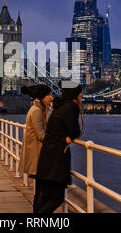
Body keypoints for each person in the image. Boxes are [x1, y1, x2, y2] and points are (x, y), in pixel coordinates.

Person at [35, 81, 83, 213]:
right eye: (80, 93)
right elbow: (75, 131)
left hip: (47, 157)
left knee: (45, 197)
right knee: (56, 198)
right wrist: (69, 136)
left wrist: (68, 136)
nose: (82, 96)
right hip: (56, 160)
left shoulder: (59, 107)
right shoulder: (71, 108)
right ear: (74, 95)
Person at [18, 84, 53, 213]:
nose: (51, 97)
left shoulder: (39, 109)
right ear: (42, 97)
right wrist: (58, 140)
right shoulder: (37, 111)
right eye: (49, 95)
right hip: (37, 156)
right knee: (42, 193)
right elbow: (41, 135)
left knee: (40, 191)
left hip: (38, 154)